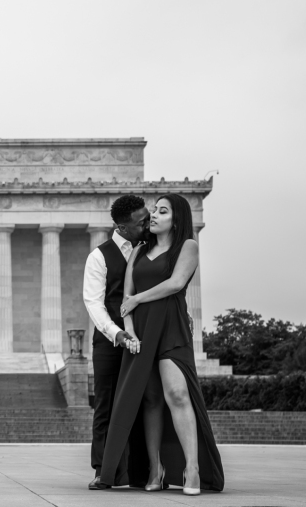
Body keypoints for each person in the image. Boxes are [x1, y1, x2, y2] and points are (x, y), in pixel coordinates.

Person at [99, 194, 224, 495]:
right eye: (154, 210)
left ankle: (191, 468)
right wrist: (129, 333)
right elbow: (125, 300)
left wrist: (138, 299)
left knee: (177, 394)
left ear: (177, 219)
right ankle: (156, 469)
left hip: (170, 327)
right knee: (150, 401)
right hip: (141, 331)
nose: (153, 215)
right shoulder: (139, 251)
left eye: (162, 211)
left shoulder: (187, 247)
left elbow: (176, 284)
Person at [82, 194, 148, 490]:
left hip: (144, 338)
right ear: (122, 226)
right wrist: (116, 333)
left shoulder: (151, 249)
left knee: (145, 402)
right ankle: (102, 469)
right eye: (141, 222)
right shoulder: (98, 256)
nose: (147, 224)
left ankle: (141, 470)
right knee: (106, 405)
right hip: (109, 341)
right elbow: (94, 303)